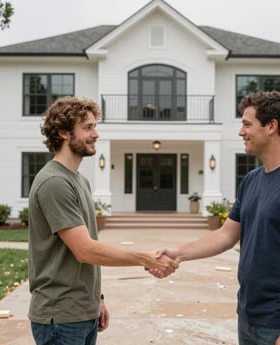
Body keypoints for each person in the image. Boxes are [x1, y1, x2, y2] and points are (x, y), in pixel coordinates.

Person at [154, 91, 280, 345]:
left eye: (247, 124)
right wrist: (179, 253)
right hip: (249, 317)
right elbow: (226, 234)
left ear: (271, 127)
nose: (240, 132)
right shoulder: (251, 180)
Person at [28, 96, 179, 345]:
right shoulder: (54, 183)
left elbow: (87, 248)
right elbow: (85, 251)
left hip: (81, 311)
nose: (96, 134)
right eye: (87, 127)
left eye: (94, 126)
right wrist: (145, 258)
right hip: (61, 317)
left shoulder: (79, 180)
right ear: (64, 132)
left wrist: (97, 298)